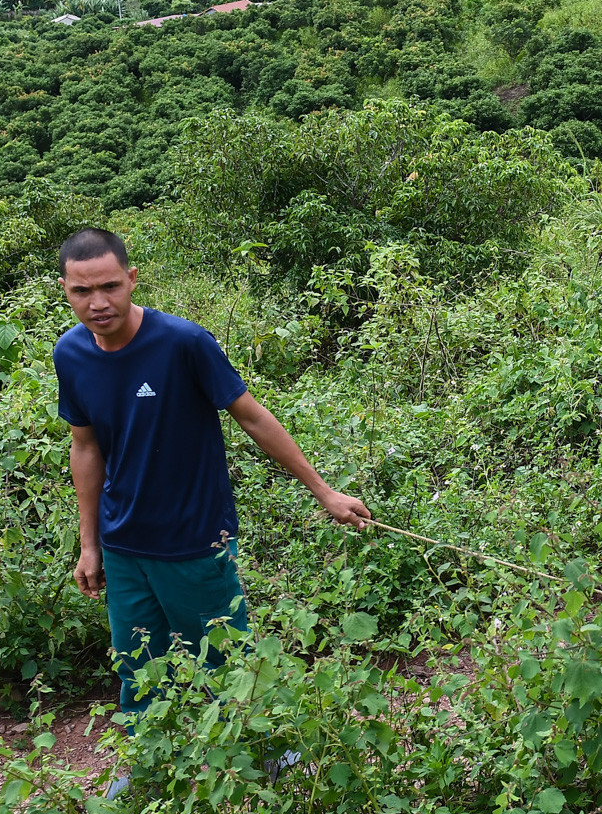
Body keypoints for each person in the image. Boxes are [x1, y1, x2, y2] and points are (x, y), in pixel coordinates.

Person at [53, 228, 372, 723]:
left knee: (229, 663)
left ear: (132, 279)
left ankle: (268, 753)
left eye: (110, 286)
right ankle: (147, 761)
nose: (98, 302)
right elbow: (86, 445)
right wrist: (90, 543)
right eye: (82, 291)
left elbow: (252, 416)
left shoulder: (183, 342)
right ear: (65, 290)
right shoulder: (70, 354)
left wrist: (324, 492)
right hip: (123, 543)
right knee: (137, 666)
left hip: (195, 538)